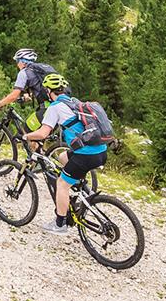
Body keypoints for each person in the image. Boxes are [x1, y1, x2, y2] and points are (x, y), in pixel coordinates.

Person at [19, 85, 106, 236]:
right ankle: (82, 188)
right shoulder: (74, 102)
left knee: (62, 183)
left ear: (49, 92)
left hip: (85, 155)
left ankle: (60, 224)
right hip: (101, 151)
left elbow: (42, 133)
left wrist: (26, 136)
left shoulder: (54, 107)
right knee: (62, 157)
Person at [0, 48, 54, 121]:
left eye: (17, 61)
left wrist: (0, 104)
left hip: (48, 108)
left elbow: (14, 96)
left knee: (27, 129)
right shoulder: (41, 70)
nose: (17, 64)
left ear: (23, 61)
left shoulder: (24, 72)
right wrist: (27, 96)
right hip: (61, 103)